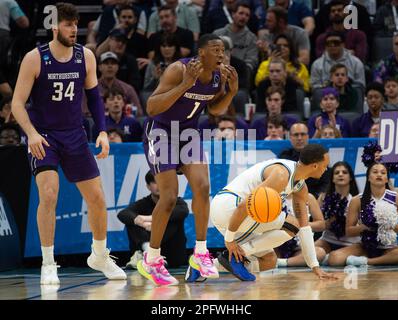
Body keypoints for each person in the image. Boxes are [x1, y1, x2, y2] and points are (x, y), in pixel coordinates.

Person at [10, 3, 126, 285]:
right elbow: (16, 104)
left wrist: (101, 131)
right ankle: (48, 263)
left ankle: (99, 254)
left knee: (98, 199)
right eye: (67, 24)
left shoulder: (85, 56)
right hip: (44, 136)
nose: (74, 29)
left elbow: (95, 97)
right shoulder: (35, 58)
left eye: (75, 24)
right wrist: (32, 134)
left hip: (75, 134)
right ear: (54, 26)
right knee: (49, 194)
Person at [140, 34, 238, 286]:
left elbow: (215, 110)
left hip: (188, 134)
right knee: (170, 196)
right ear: (201, 53)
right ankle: (151, 259)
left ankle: (201, 253)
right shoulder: (178, 69)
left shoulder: (218, 76)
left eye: (223, 50)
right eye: (216, 50)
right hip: (161, 132)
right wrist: (185, 84)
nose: (221, 55)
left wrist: (230, 92)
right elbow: (151, 107)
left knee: (203, 187)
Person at [207, 144, 337, 281]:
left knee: (269, 261)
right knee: (292, 224)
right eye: (325, 165)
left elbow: (304, 228)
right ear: (315, 166)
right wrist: (229, 240)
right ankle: (238, 253)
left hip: (234, 216)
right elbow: (243, 206)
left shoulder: (300, 187)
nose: (326, 169)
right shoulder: (281, 175)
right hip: (229, 206)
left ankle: (204, 267)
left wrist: (315, 267)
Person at [323, 162, 398, 266]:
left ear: (387, 179)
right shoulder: (357, 200)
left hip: (389, 247)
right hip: (365, 246)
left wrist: (389, 226)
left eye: (383, 173)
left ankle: (366, 261)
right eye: (375, 172)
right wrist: (366, 226)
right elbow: (349, 231)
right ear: (368, 178)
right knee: (335, 258)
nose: (379, 175)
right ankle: (380, 260)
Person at [118, 171, 189, 269]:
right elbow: (122, 214)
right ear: (148, 186)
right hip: (147, 246)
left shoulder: (176, 202)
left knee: (172, 218)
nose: (159, 185)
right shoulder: (144, 203)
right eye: (155, 182)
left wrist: (151, 220)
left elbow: (183, 211)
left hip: (172, 255)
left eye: (162, 181)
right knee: (132, 220)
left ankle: (152, 257)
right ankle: (148, 253)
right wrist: (142, 223)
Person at [315, 161, 360, 266]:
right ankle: (324, 258)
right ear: (332, 178)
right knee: (307, 251)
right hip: (327, 240)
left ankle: (329, 258)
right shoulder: (323, 198)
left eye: (344, 172)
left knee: (334, 259)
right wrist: (327, 223)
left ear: (351, 177)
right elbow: (317, 223)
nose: (340, 174)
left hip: (351, 243)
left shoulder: (357, 200)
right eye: (337, 173)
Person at [279, 123, 331, 199]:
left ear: (308, 136)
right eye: (296, 135)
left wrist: (317, 197)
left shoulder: (319, 155)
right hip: (290, 197)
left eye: (303, 134)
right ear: (290, 137)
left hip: (315, 198)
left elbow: (326, 181)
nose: (299, 138)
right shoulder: (284, 157)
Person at [276, 193, 326, 267]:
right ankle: (274, 259)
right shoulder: (274, 197)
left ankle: (281, 262)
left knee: (320, 253)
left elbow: (321, 224)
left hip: (299, 248)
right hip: (277, 244)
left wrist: (300, 224)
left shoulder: (308, 197)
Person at [213, 2, 258, 75]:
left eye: (247, 15)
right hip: (217, 71)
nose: (244, 17)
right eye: (241, 13)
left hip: (241, 74)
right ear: (233, 14)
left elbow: (251, 62)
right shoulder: (218, 34)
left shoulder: (252, 38)